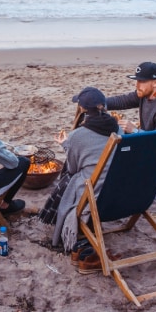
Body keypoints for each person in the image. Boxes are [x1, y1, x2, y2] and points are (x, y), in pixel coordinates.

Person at [39, 87, 121, 254]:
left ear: (82, 109)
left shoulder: (78, 135)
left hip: (92, 193)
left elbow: (73, 168)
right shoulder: (118, 129)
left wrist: (66, 145)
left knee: (68, 179)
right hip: (114, 191)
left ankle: (57, 232)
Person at [106, 62, 156, 132]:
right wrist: (100, 102)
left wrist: (134, 130)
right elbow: (123, 101)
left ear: (155, 83)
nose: (136, 85)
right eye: (137, 81)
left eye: (141, 81)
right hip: (148, 138)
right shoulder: (146, 93)